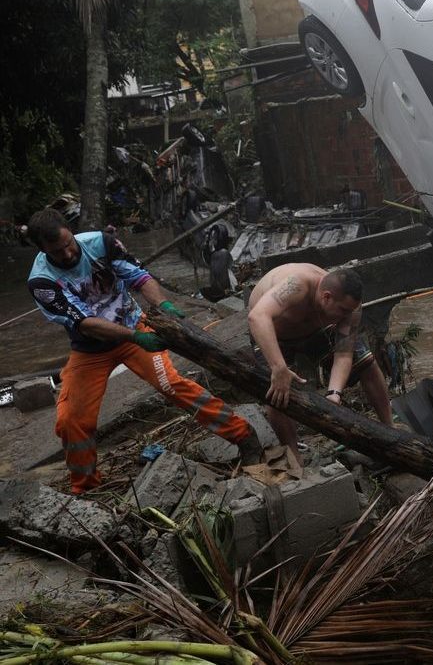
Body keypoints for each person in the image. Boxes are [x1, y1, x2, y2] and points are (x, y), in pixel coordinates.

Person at [25, 208, 262, 495]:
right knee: (71, 419)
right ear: (42, 250)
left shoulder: (101, 244)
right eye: (57, 252)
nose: (67, 254)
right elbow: (85, 323)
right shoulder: (42, 282)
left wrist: (165, 307)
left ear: (71, 233)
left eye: (69, 245)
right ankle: (85, 487)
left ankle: (243, 435)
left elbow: (139, 278)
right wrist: (137, 337)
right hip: (91, 347)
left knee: (171, 384)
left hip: (132, 322)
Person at [247, 263, 393, 463]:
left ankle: (390, 433)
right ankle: (294, 458)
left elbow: (343, 355)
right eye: (342, 310)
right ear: (326, 296)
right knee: (277, 391)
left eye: (349, 311)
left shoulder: (350, 308)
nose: (346, 316)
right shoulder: (297, 284)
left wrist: (334, 394)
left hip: (318, 330)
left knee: (367, 363)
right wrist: (278, 368)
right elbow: (257, 316)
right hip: (273, 333)